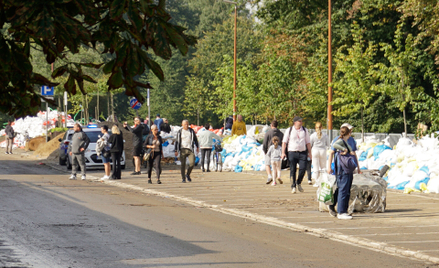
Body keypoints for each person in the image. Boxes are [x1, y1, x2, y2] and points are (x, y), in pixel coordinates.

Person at [327, 126, 361, 220]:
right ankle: (341, 211)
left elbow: (353, 152)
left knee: (346, 189)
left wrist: (358, 167)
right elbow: (332, 150)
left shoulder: (350, 141)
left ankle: (344, 210)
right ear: (348, 132)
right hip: (342, 167)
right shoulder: (339, 140)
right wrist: (329, 167)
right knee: (342, 189)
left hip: (348, 168)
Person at [281, 116, 312, 194]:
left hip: (302, 152)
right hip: (292, 152)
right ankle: (293, 186)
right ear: (295, 122)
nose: (301, 123)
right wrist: (283, 152)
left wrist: (310, 153)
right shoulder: (289, 130)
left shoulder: (304, 130)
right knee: (293, 169)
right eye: (299, 121)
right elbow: (284, 142)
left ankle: (298, 182)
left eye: (301, 121)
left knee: (303, 168)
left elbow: (308, 142)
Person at [262, 120, 284, 184]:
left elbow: (265, 143)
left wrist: (265, 151)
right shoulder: (281, 133)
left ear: (271, 125)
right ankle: (275, 179)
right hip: (278, 152)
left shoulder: (268, 133)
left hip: (269, 151)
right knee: (277, 167)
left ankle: (269, 176)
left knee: (267, 164)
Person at [310, 122, 328, 187]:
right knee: (323, 167)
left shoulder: (312, 135)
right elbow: (328, 144)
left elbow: (310, 144)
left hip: (315, 151)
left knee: (316, 168)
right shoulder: (325, 135)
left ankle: (317, 182)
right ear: (322, 127)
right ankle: (324, 181)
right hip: (322, 150)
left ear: (315, 128)